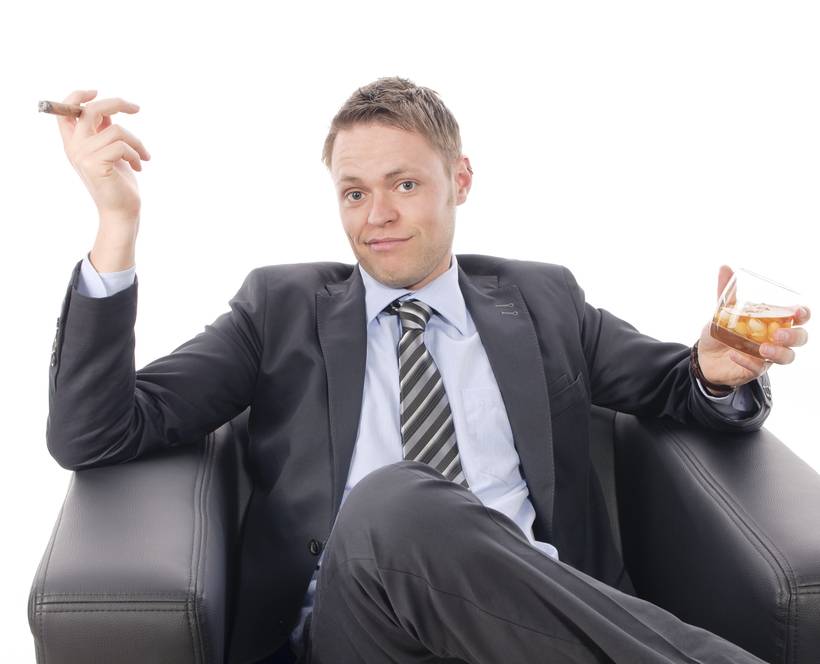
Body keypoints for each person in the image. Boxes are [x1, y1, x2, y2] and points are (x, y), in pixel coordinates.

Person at [47, 77, 810, 664]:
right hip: (352, 634)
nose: (376, 215)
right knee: (394, 502)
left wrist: (717, 371)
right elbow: (96, 432)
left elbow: (677, 387)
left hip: (532, 632)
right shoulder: (279, 310)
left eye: (404, 184)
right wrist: (118, 223)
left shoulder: (541, 300)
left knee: (414, 511)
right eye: (354, 193)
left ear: (460, 180)